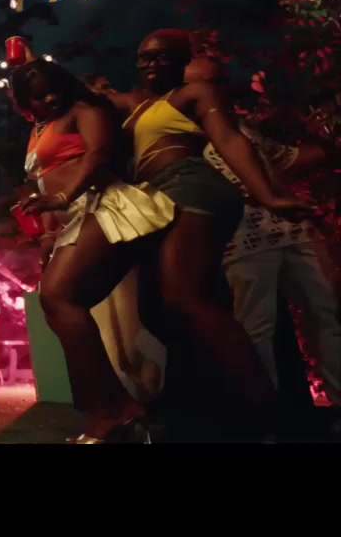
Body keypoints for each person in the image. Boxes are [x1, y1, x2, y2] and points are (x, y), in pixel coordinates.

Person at [106, 28, 311, 440]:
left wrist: (267, 195)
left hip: (190, 185)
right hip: (152, 201)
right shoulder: (133, 103)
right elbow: (78, 98)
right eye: (144, 57)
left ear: (183, 61)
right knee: (158, 310)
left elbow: (231, 140)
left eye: (162, 56)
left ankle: (267, 410)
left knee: (183, 296)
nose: (151, 63)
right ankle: (214, 406)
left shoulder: (194, 94)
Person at [9, 58, 175, 442]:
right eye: (38, 96)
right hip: (74, 218)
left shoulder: (84, 109)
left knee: (58, 297)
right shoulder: (39, 128)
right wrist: (48, 232)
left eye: (53, 90)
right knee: (57, 304)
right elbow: (45, 181)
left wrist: (63, 196)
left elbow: (98, 155)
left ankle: (111, 410)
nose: (50, 99)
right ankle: (114, 407)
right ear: (24, 102)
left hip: (105, 204)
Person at [184, 58, 340, 407]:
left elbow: (287, 158)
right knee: (256, 330)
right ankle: (266, 414)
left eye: (217, 82)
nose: (215, 90)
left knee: (325, 316)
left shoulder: (241, 128)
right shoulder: (185, 140)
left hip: (292, 231)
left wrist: (325, 137)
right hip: (243, 241)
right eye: (205, 84)